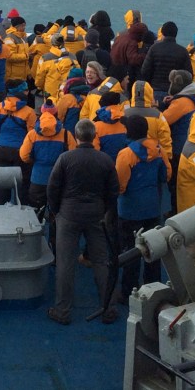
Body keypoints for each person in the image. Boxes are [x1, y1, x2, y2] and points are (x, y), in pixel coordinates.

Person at [46, 119, 120, 325]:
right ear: (94, 136)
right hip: (96, 214)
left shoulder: (65, 158)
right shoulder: (105, 160)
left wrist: (56, 211)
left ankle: (62, 310)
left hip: (68, 214)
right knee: (101, 261)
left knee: (65, 262)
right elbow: (113, 190)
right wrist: (104, 210)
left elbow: (52, 187)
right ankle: (108, 308)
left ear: (76, 136)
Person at [115, 115, 167, 301]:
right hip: (152, 207)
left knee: (131, 251)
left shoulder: (126, 154)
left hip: (129, 210)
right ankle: (154, 289)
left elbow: (120, 185)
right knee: (154, 248)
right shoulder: (159, 150)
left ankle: (128, 291)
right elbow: (165, 175)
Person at [20, 103, 76, 210]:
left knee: (35, 210)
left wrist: (33, 161)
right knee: (58, 209)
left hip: (38, 178)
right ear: (56, 115)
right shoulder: (66, 134)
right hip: (59, 178)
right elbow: (72, 156)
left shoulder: (32, 134)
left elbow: (24, 155)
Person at [0, 80, 37, 203]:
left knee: (2, 184)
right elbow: (32, 136)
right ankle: (21, 212)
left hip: (1, 149)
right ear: (20, 92)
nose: (28, 92)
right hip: (20, 152)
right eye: (25, 90)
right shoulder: (29, 112)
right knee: (22, 184)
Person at [139, 21, 189, 103]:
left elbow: (144, 71)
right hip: (175, 94)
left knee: (155, 115)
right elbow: (188, 75)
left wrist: (151, 82)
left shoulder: (154, 48)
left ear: (162, 33)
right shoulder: (183, 51)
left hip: (155, 90)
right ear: (176, 34)